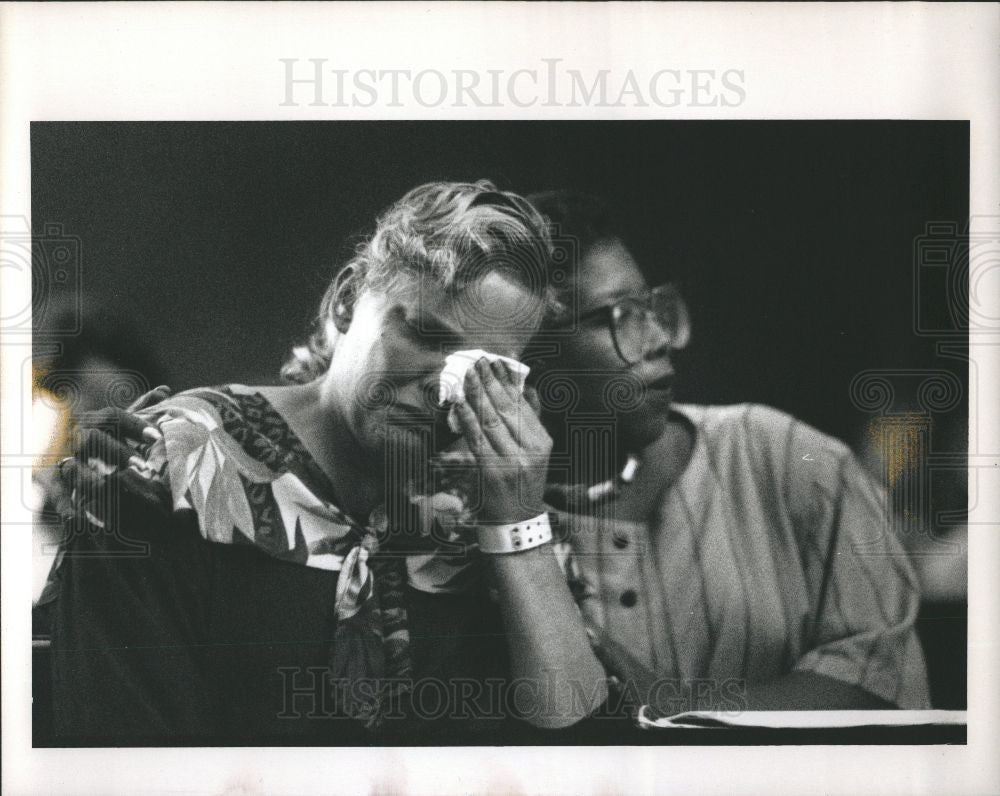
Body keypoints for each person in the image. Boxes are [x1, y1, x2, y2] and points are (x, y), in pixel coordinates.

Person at [46, 181, 608, 745]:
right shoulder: (173, 465)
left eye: (485, 368)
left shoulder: (485, 505)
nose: (443, 386)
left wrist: (517, 524)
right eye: (423, 334)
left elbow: (577, 741)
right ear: (347, 300)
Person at [524, 190, 930, 713]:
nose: (658, 339)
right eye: (621, 316)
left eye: (653, 308)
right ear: (528, 354)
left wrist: (673, 706)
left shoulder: (787, 459)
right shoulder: (485, 522)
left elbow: (881, 686)